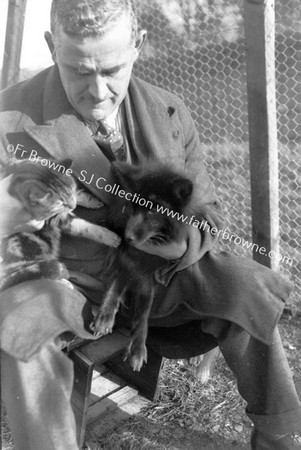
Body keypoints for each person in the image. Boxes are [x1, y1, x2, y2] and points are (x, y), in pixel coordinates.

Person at [0, 1, 300, 449]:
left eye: (111, 69)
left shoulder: (169, 109)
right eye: (79, 71)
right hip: (71, 283)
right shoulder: (9, 120)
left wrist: (180, 244)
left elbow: (212, 211)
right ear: (51, 48)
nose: (98, 91)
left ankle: (280, 430)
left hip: (158, 276)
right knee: (22, 320)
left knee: (243, 285)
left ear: (138, 46)